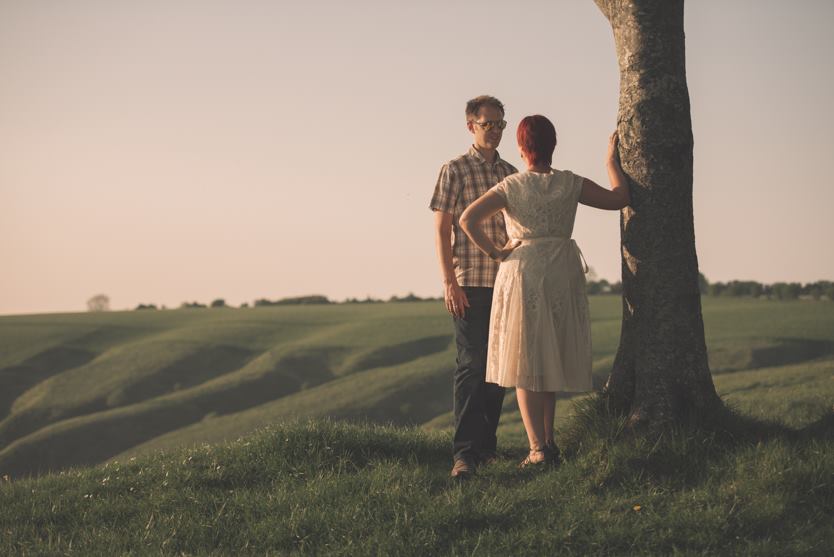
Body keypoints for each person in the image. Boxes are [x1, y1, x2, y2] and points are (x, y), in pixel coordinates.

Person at [460, 115, 629, 467]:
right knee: (548, 354)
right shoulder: (570, 183)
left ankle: (537, 448)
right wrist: (611, 162)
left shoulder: (511, 185)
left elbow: (467, 220)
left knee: (525, 359)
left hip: (523, 269)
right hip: (561, 271)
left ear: (522, 149)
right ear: (552, 146)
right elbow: (619, 199)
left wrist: (496, 252)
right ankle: (547, 444)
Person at [429, 95, 519, 479]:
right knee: (471, 365)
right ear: (471, 126)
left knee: (499, 368)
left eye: (500, 124)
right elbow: (441, 227)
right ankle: (464, 454)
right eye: (488, 124)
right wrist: (449, 281)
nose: (495, 131)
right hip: (469, 282)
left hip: (506, 282)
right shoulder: (455, 169)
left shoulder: (512, 173)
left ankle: (487, 449)